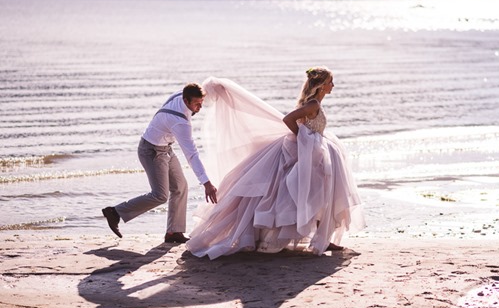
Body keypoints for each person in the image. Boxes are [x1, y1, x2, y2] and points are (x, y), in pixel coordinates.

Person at [186, 67, 365, 260]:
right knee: (311, 194)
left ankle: (322, 237)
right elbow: (289, 119)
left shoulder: (315, 104)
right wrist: (305, 139)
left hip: (314, 154)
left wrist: (309, 140)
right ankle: (314, 238)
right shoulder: (312, 104)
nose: (333, 85)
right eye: (330, 81)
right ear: (321, 86)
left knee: (320, 194)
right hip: (307, 154)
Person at [102, 83, 218, 244]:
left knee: (180, 187)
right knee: (160, 195)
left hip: (165, 148)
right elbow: (191, 154)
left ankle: (173, 232)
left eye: (201, 103)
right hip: (151, 151)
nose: (199, 107)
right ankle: (115, 212)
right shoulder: (181, 122)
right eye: (196, 104)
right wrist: (206, 183)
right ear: (185, 100)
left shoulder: (180, 94)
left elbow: (197, 89)